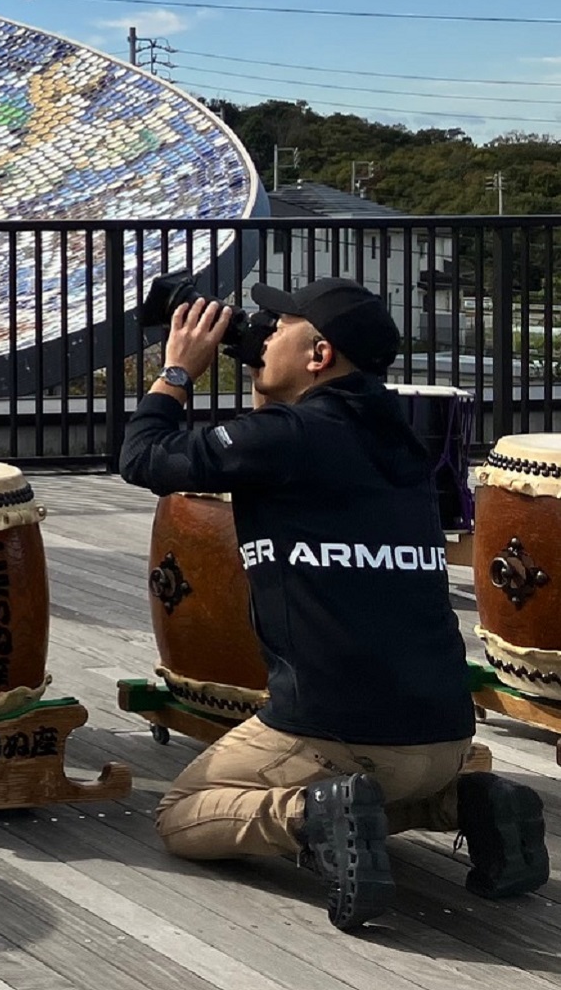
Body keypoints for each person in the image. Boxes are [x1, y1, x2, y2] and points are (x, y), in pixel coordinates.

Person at [121, 279, 547, 931]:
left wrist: (177, 369)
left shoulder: (284, 437)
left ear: (318, 354)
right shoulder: (402, 440)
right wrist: (267, 373)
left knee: (181, 813)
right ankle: (464, 805)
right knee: (370, 791)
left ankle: (309, 815)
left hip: (331, 732)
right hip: (442, 737)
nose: (260, 335)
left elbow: (142, 457)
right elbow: (307, 442)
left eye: (277, 325)